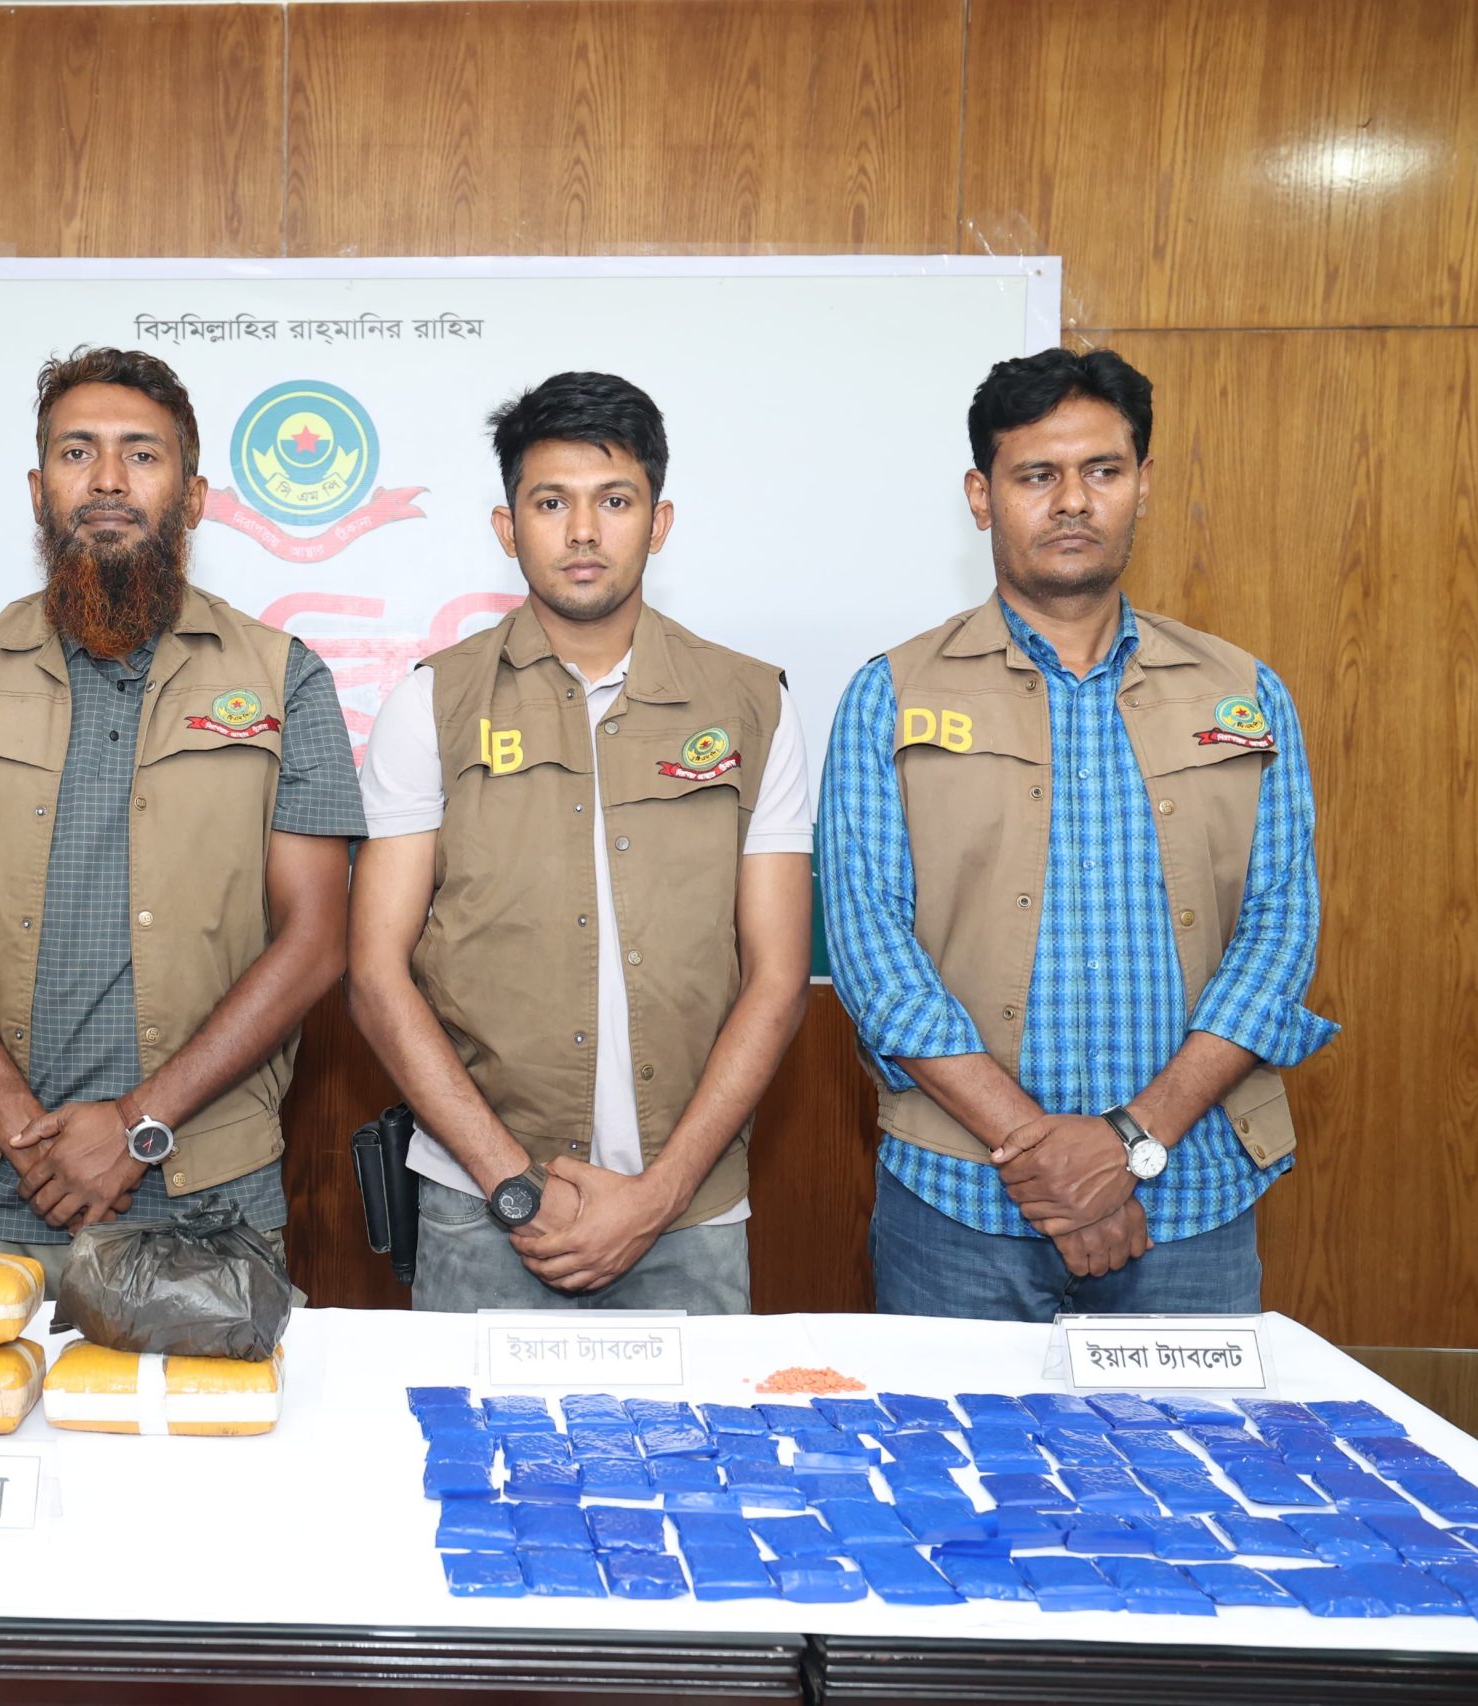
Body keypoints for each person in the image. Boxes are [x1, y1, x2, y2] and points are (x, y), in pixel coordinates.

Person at [818, 348, 1336, 1321]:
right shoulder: (890, 696)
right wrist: (1050, 1162)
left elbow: (1280, 934)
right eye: (1036, 475)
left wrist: (1129, 1141)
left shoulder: (1242, 693)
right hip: (961, 1204)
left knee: (1189, 1435)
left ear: (1143, 484)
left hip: (1193, 1194)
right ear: (982, 496)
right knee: (952, 1433)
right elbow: (874, 960)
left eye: (1102, 470)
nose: (1071, 501)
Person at [0, 348, 363, 1290]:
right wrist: (28, 1137)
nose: (107, 480)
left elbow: (314, 941)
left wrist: (137, 1126)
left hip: (208, 1203)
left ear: (193, 496)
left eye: (141, 454)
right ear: (38, 490)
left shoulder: (284, 678)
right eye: (77, 453)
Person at [347, 371, 813, 1314]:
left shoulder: (753, 704)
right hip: (481, 1211)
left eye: (616, 501)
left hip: (689, 1218)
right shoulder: (432, 703)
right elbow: (375, 976)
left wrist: (659, 1196)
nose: (584, 532)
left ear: (660, 521)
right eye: (551, 502)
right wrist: (513, 1185)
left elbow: (776, 978)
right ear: (507, 525)